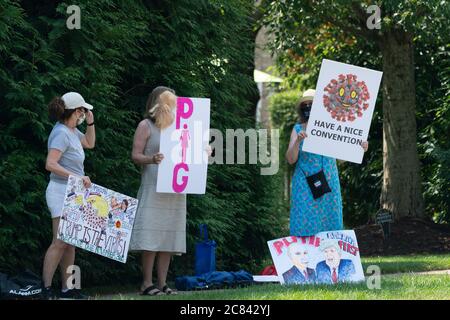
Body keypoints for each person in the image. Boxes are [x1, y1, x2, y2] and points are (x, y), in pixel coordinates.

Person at [286, 89, 368, 236]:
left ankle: (331, 256)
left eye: (311, 104)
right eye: (305, 104)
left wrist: (359, 148)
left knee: (330, 222)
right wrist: (298, 141)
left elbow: (342, 159)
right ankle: (303, 257)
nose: (308, 107)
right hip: (304, 185)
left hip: (329, 183)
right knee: (303, 220)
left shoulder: (331, 129)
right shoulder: (297, 129)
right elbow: (291, 159)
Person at [129, 86, 184, 296]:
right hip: (153, 186)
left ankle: (162, 283)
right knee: (151, 235)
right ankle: (146, 282)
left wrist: (203, 150)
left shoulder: (179, 126)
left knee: (168, 236)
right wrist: (152, 159)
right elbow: (135, 155)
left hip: (175, 187)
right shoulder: (146, 125)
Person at [42, 92, 96, 299]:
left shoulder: (72, 131)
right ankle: (45, 289)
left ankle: (69, 288)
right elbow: (50, 164)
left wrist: (90, 124)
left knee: (70, 241)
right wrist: (77, 177)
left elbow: (90, 144)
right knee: (59, 241)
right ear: (75, 111)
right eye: (83, 110)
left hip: (73, 192)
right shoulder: (61, 133)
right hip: (59, 191)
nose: (85, 113)